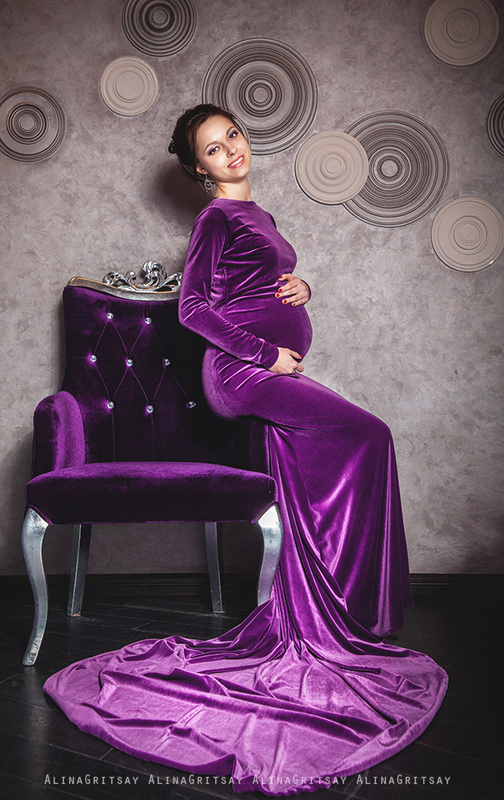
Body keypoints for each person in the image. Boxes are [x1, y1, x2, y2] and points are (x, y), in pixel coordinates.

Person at [44, 104, 448, 794]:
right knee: (370, 434)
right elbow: (193, 308)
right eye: (212, 147)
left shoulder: (256, 215)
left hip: (264, 366)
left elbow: (260, 287)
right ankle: (340, 613)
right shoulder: (215, 218)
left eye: (232, 135)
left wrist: (303, 287)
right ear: (198, 169)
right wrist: (267, 354)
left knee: (318, 468)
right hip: (240, 372)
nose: (230, 148)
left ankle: (330, 613)